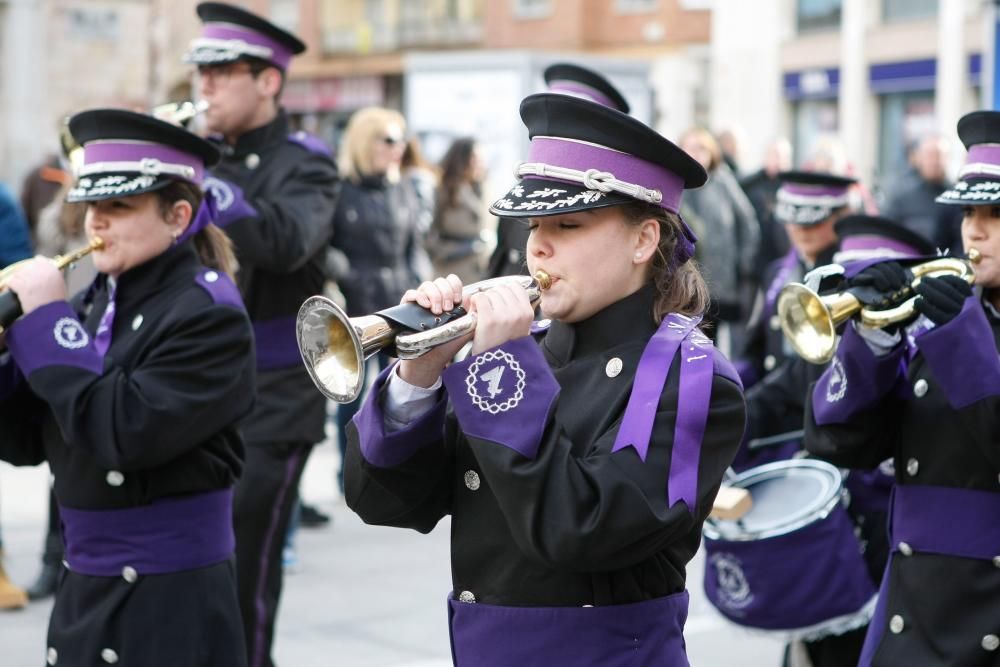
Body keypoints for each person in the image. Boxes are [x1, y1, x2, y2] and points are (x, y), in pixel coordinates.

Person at [343, 92, 746, 665]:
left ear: (643, 240)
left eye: (568, 222)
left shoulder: (692, 375)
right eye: (534, 224)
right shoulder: (525, 351)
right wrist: (418, 375)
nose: (538, 245)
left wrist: (499, 366)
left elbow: (581, 530)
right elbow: (383, 501)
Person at [0, 108, 254, 665]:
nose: (96, 221)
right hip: (86, 586)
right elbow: (29, 441)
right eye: (91, 204)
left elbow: (121, 431)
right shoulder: (94, 300)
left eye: (119, 205)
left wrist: (47, 323)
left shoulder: (210, 313)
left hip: (171, 599)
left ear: (177, 215)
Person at [804, 109, 1000, 666]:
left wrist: (964, 340)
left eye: (996, 213)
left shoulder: (958, 325)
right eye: (968, 211)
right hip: (911, 611)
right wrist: (873, 342)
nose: (974, 230)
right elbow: (840, 442)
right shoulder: (948, 315)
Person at [184, 4, 339, 666]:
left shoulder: (306, 162)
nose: (206, 85)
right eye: (202, 72)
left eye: (223, 72)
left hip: (273, 390)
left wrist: (199, 180)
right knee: (192, 560)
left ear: (268, 81)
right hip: (194, 380)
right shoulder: (200, 159)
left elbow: (283, 241)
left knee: (245, 559)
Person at [327, 106, 427, 493]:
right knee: (350, 396)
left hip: (400, 301)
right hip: (355, 301)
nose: (398, 148)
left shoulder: (403, 186)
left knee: (405, 388)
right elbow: (322, 246)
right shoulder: (340, 188)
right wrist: (345, 270)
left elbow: (412, 247)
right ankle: (349, 470)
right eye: (389, 139)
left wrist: (423, 289)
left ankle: (396, 465)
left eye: (401, 139)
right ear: (366, 142)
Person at [734, 170, 856, 471]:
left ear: (843, 215)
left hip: (810, 428)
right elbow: (757, 348)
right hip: (770, 418)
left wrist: (750, 407)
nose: (801, 230)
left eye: (814, 219)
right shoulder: (777, 272)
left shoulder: (851, 277)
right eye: (793, 218)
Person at [485, 62, 630, 280]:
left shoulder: (610, 194)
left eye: (568, 224)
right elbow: (500, 264)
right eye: (532, 226)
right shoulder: (524, 194)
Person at [679, 127, 761, 356]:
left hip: (721, 281)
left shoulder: (722, 180)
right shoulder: (674, 182)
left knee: (717, 347)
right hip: (682, 282)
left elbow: (748, 223)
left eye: (702, 148)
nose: (696, 153)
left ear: (712, 153)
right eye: (691, 146)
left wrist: (744, 264)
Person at [880, 134, 963, 256]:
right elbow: (887, 234)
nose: (935, 161)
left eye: (939, 155)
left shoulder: (958, 197)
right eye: (930, 155)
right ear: (918, 158)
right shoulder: (902, 197)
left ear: (948, 158)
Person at [427, 136, 487, 283]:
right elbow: (428, 238)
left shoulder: (480, 188)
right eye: (474, 157)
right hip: (450, 275)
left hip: (477, 273)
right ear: (462, 159)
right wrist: (464, 248)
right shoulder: (442, 191)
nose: (479, 163)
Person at [741, 137, 793, 273]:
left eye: (782, 156)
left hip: (782, 256)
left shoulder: (793, 187)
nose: (777, 160)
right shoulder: (749, 184)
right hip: (755, 255)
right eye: (774, 154)